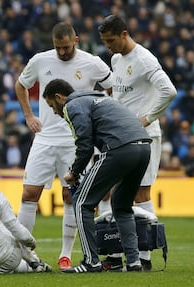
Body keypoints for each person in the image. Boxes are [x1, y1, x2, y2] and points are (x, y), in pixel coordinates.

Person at [14, 21, 113, 270]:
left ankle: (65, 255)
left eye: (66, 47)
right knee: (29, 193)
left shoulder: (92, 63)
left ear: (76, 41)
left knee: (70, 196)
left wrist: (101, 119)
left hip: (75, 142)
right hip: (45, 139)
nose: (61, 52)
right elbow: (20, 85)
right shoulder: (40, 60)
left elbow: (113, 87)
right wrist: (28, 116)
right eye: (58, 47)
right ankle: (23, 256)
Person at [43, 78, 151, 273]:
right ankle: (134, 262)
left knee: (82, 203)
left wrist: (73, 172)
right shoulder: (100, 97)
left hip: (119, 148)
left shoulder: (71, 105)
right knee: (122, 205)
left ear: (59, 97)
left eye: (52, 106)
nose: (54, 111)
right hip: (143, 147)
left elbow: (84, 144)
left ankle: (91, 262)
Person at [98, 14, 177, 271]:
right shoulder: (116, 59)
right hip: (121, 137)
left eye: (111, 40)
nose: (108, 46)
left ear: (124, 34)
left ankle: (145, 258)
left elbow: (169, 90)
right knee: (117, 194)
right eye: (104, 41)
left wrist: (146, 118)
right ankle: (115, 255)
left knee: (141, 193)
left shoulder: (144, 59)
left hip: (145, 136)